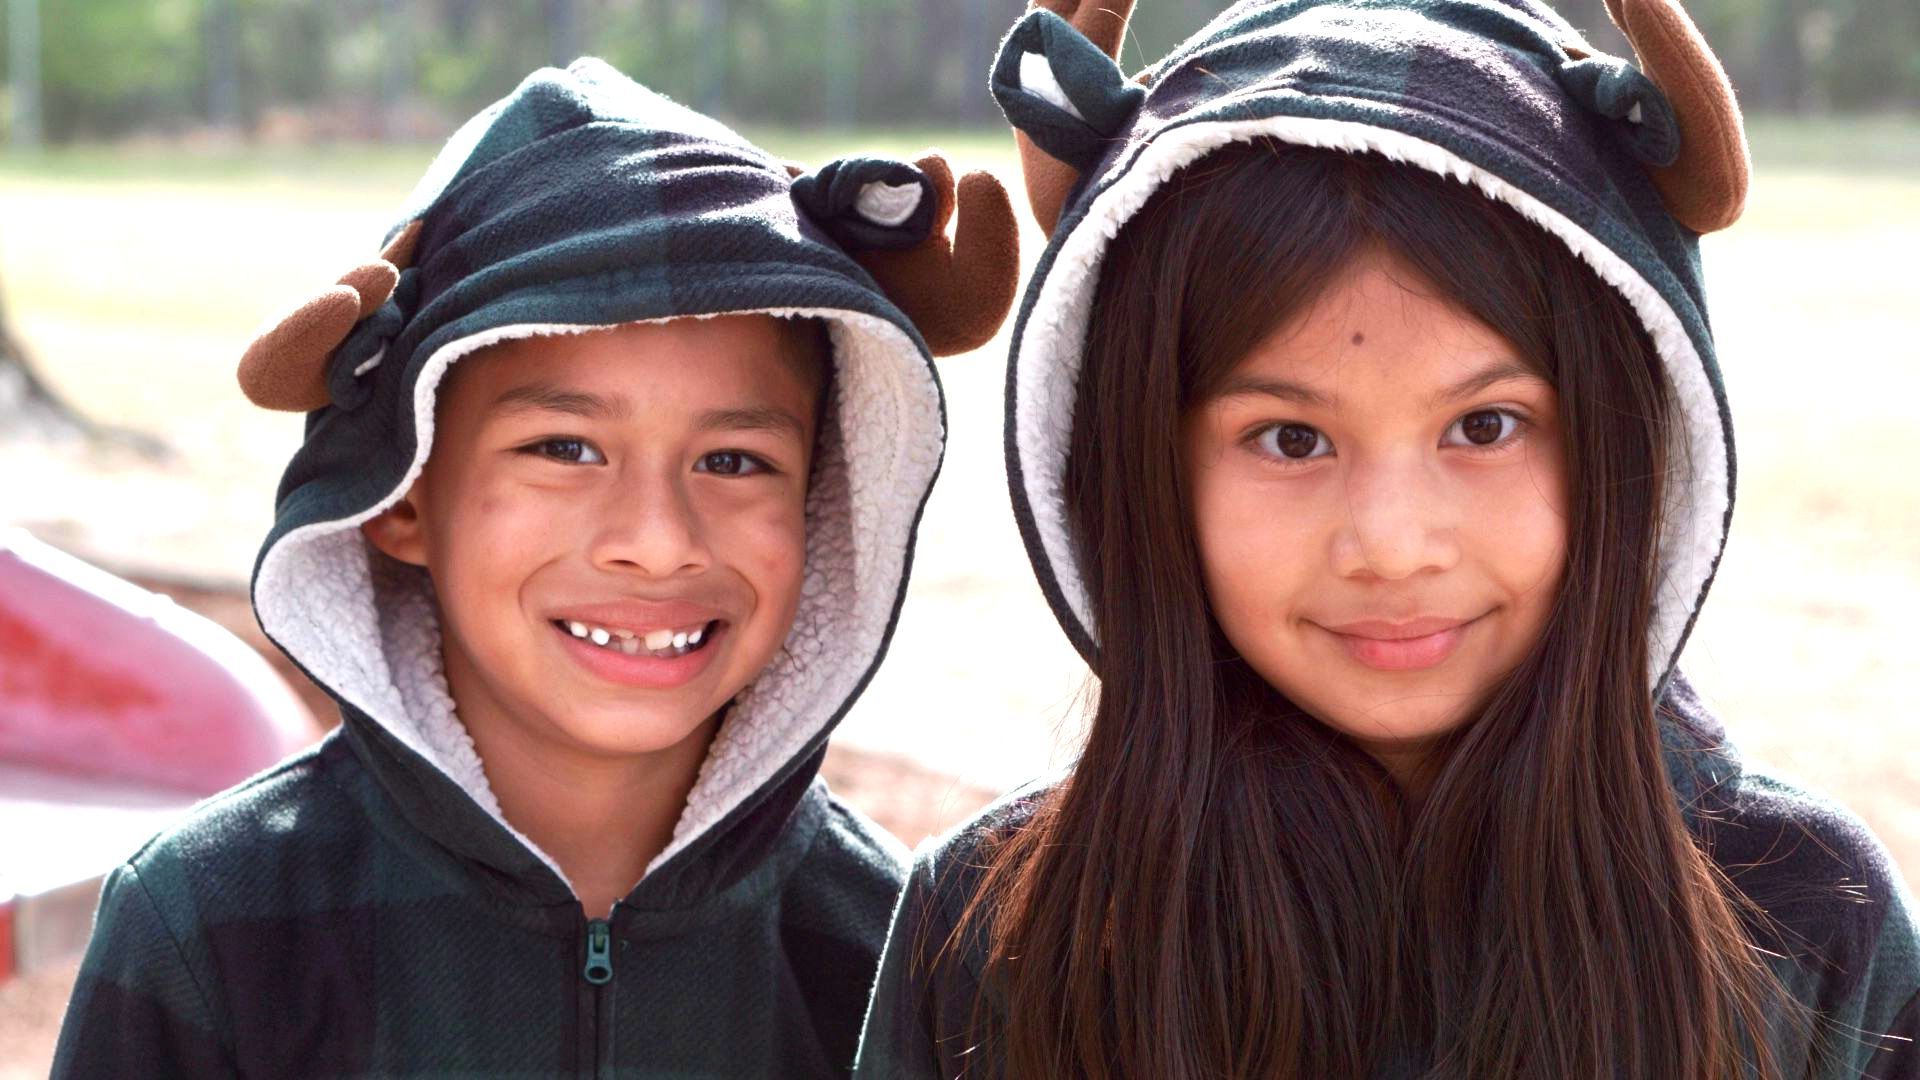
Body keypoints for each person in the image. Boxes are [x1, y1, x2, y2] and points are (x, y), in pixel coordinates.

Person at [853, 0, 1919, 1076]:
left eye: (1486, 426)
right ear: (1141, 470)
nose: (1393, 546)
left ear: (1628, 445)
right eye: (1289, 437)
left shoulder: (1808, 915)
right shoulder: (999, 929)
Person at [52, 57, 1018, 1078]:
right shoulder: (206, 926)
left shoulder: (902, 952)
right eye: (564, 448)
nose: (657, 537)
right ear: (402, 495)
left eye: (735, 460)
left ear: (824, 500)